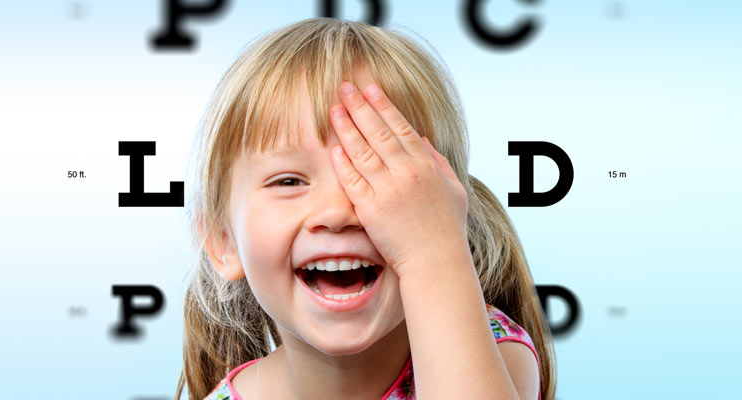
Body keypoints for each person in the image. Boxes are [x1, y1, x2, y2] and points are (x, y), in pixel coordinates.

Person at [176, 17, 557, 400]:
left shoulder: (490, 354)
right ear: (222, 241)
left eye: (376, 174)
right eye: (288, 182)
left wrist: (433, 253)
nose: (337, 213)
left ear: (443, 215)